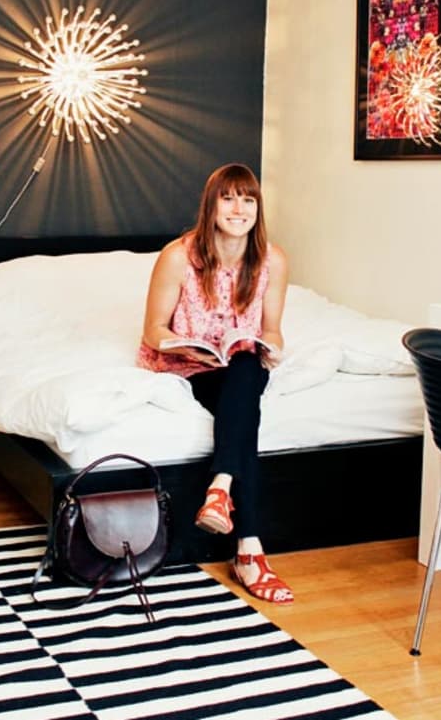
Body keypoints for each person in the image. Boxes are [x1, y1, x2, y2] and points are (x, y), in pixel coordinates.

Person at [137, 162, 293, 604]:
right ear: (212, 204)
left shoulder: (272, 260)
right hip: (190, 364)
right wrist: (185, 347)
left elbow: (274, 329)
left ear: (258, 208)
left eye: (248, 199)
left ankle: (220, 491)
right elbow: (153, 330)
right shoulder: (178, 256)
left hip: (240, 361)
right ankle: (249, 551)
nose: (239, 208)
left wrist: (272, 346)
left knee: (246, 370)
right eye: (229, 198)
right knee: (245, 414)